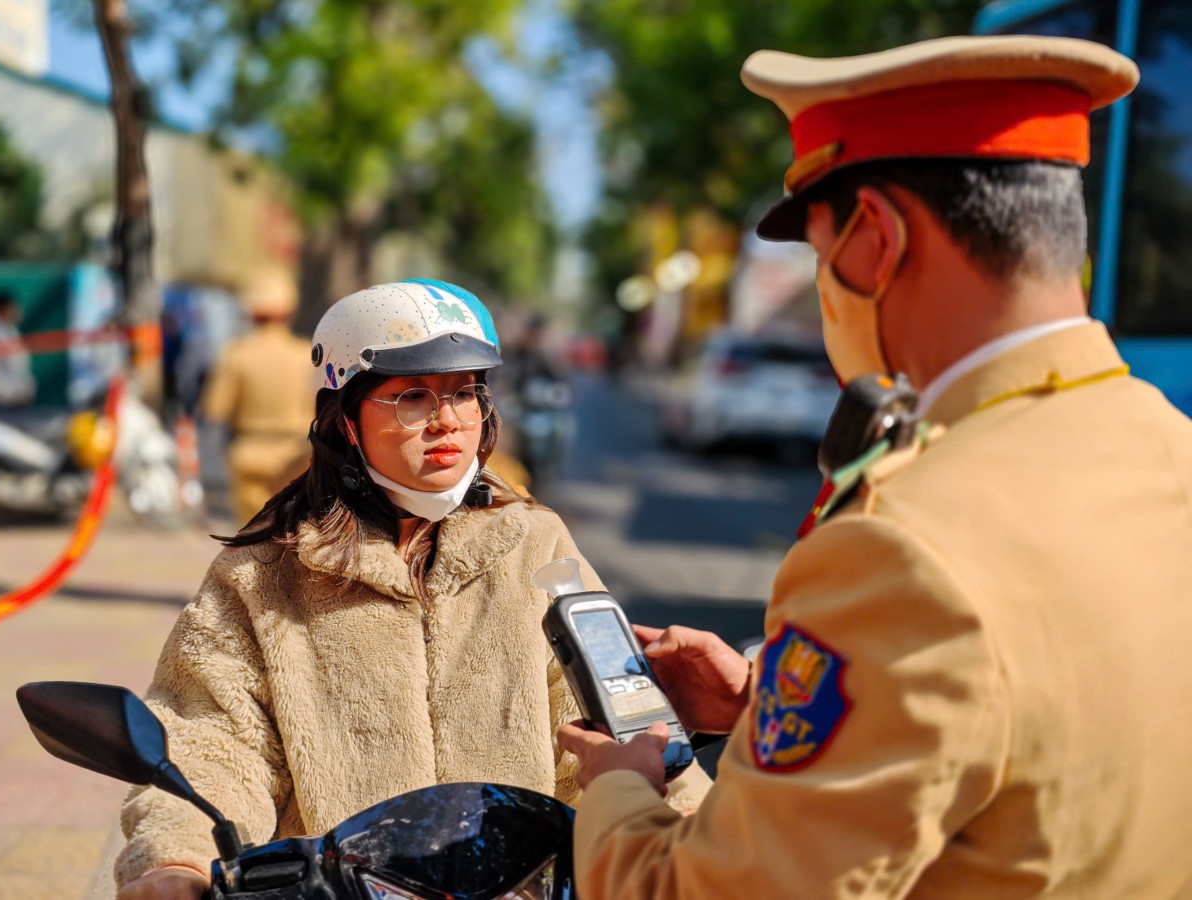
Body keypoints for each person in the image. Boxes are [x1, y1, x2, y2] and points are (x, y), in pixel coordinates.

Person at [556, 35, 1192, 897]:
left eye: (821, 255)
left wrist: (620, 785)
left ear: (878, 242)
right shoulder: (1167, 444)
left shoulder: (902, 548)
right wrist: (760, 706)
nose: (823, 286)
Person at [115, 279, 709, 898]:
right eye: (412, 397)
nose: (447, 420)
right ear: (345, 420)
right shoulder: (264, 574)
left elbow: (617, 721)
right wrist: (174, 862)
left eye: (465, 393)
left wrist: (699, 836)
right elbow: (210, 742)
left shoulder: (535, 544)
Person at [200, 267, 316, 524]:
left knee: (252, 536)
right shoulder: (306, 355)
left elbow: (214, 409)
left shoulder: (236, 354)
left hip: (249, 453)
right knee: (292, 534)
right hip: (296, 453)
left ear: (251, 312)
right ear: (290, 312)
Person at [0, 291, 36, 408]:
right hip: (2, 400)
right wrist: (1, 392)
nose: (16, 311)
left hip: (16, 397)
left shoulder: (9, 329)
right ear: (2, 308)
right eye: (12, 308)